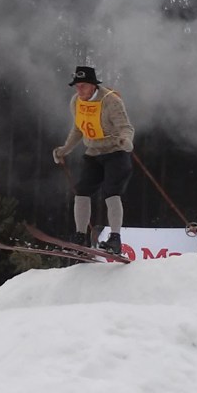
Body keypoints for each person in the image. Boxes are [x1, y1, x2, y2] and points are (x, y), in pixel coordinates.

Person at [52, 65, 135, 255]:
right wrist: (65, 149)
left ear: (93, 85)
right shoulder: (76, 101)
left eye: (82, 86)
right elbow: (78, 129)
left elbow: (126, 127)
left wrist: (126, 141)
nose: (79, 90)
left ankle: (115, 239)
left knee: (111, 191)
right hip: (94, 152)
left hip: (115, 151)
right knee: (81, 191)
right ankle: (80, 237)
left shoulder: (110, 100)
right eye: (76, 86)